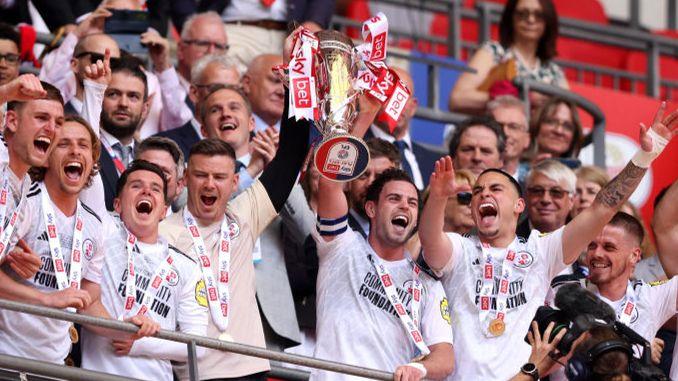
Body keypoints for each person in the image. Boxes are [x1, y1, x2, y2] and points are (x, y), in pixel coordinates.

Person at [418, 102, 677, 380]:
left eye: (496, 189)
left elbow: (603, 206)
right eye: (478, 191)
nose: (484, 194)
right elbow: (430, 240)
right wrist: (438, 198)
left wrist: (645, 156)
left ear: (519, 205)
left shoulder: (542, 250)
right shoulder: (459, 248)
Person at [159, 82, 310, 379]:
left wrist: (295, 81)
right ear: (186, 179)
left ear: (234, 182)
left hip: (250, 369)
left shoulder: (244, 216)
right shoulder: (162, 234)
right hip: (193, 373)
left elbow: (291, 155)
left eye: (219, 177)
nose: (210, 184)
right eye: (201, 175)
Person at [0, 115, 158, 364]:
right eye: (64, 144)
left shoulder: (95, 225)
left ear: (93, 159)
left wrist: (124, 328)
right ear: (47, 155)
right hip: (8, 358)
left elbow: (87, 300)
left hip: (56, 364)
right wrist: (47, 300)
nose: (75, 151)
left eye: (84, 145)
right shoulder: (24, 204)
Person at [312, 167, 455, 380]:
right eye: (394, 198)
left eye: (412, 203)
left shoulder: (428, 285)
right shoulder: (341, 247)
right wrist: (353, 135)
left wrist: (420, 368)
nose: (404, 206)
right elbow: (329, 184)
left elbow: (445, 358)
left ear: (416, 220)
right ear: (371, 208)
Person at [80, 160, 208, 380]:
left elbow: (198, 346)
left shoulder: (187, 267)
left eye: (156, 188)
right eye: (136, 186)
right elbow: (90, 167)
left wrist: (139, 343)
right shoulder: (104, 233)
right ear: (118, 205)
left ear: (164, 211)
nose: (147, 191)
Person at [449, 0, 568, 114]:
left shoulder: (554, 72)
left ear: (548, 21)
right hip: (494, 130)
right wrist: (522, 98)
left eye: (539, 15)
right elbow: (458, 98)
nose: (531, 20)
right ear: (511, 17)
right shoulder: (494, 52)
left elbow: (568, 112)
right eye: (522, 13)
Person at [586, 212, 677, 350]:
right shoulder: (568, 295)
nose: (597, 253)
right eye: (592, 246)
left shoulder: (649, 297)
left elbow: (664, 224)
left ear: (634, 256)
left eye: (609, 247)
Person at [365, 67, 441, 190]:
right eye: (390, 95)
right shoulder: (356, 147)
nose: (396, 104)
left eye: (402, 96)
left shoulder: (433, 162)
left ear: (413, 107)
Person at [199, 0, 336, 68]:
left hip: (288, 34)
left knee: (284, 93)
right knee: (223, 80)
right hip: (234, 29)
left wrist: (314, 21)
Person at [156, 53, 241, 160]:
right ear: (194, 93)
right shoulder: (164, 147)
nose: (225, 95)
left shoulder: (255, 145)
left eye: (233, 89)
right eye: (216, 88)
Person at [98, 57, 151, 211]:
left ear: (145, 108)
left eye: (133, 96)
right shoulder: (84, 149)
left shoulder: (150, 156)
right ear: (100, 99)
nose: (123, 103)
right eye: (114, 94)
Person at [346, 138, 400, 238]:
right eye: (363, 175)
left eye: (380, 177)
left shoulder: (406, 235)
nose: (370, 183)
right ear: (348, 182)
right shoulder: (329, 236)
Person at [517, 159, 576, 239]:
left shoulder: (586, 241)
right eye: (537, 191)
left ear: (571, 200)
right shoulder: (507, 242)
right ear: (526, 196)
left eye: (556, 192)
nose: (545, 199)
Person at [134, 137, 185, 214]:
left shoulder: (184, 225)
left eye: (163, 173)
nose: (154, 179)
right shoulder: (110, 224)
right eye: (146, 169)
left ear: (178, 186)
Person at [487, 95, 531, 186]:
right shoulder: (472, 176)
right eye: (498, 126)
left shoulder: (533, 183)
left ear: (527, 139)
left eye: (513, 127)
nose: (505, 133)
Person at [529, 96, 584, 161]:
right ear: (537, 125)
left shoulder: (580, 171)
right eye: (551, 122)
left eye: (567, 126)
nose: (559, 130)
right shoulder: (515, 167)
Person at [242, 54, 284, 133]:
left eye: (288, 85)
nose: (283, 92)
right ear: (247, 83)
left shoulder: (306, 135)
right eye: (275, 81)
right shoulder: (230, 129)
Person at [442, 169, 476, 235]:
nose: (472, 205)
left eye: (476, 200)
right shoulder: (419, 242)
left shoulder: (484, 243)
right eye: (465, 197)